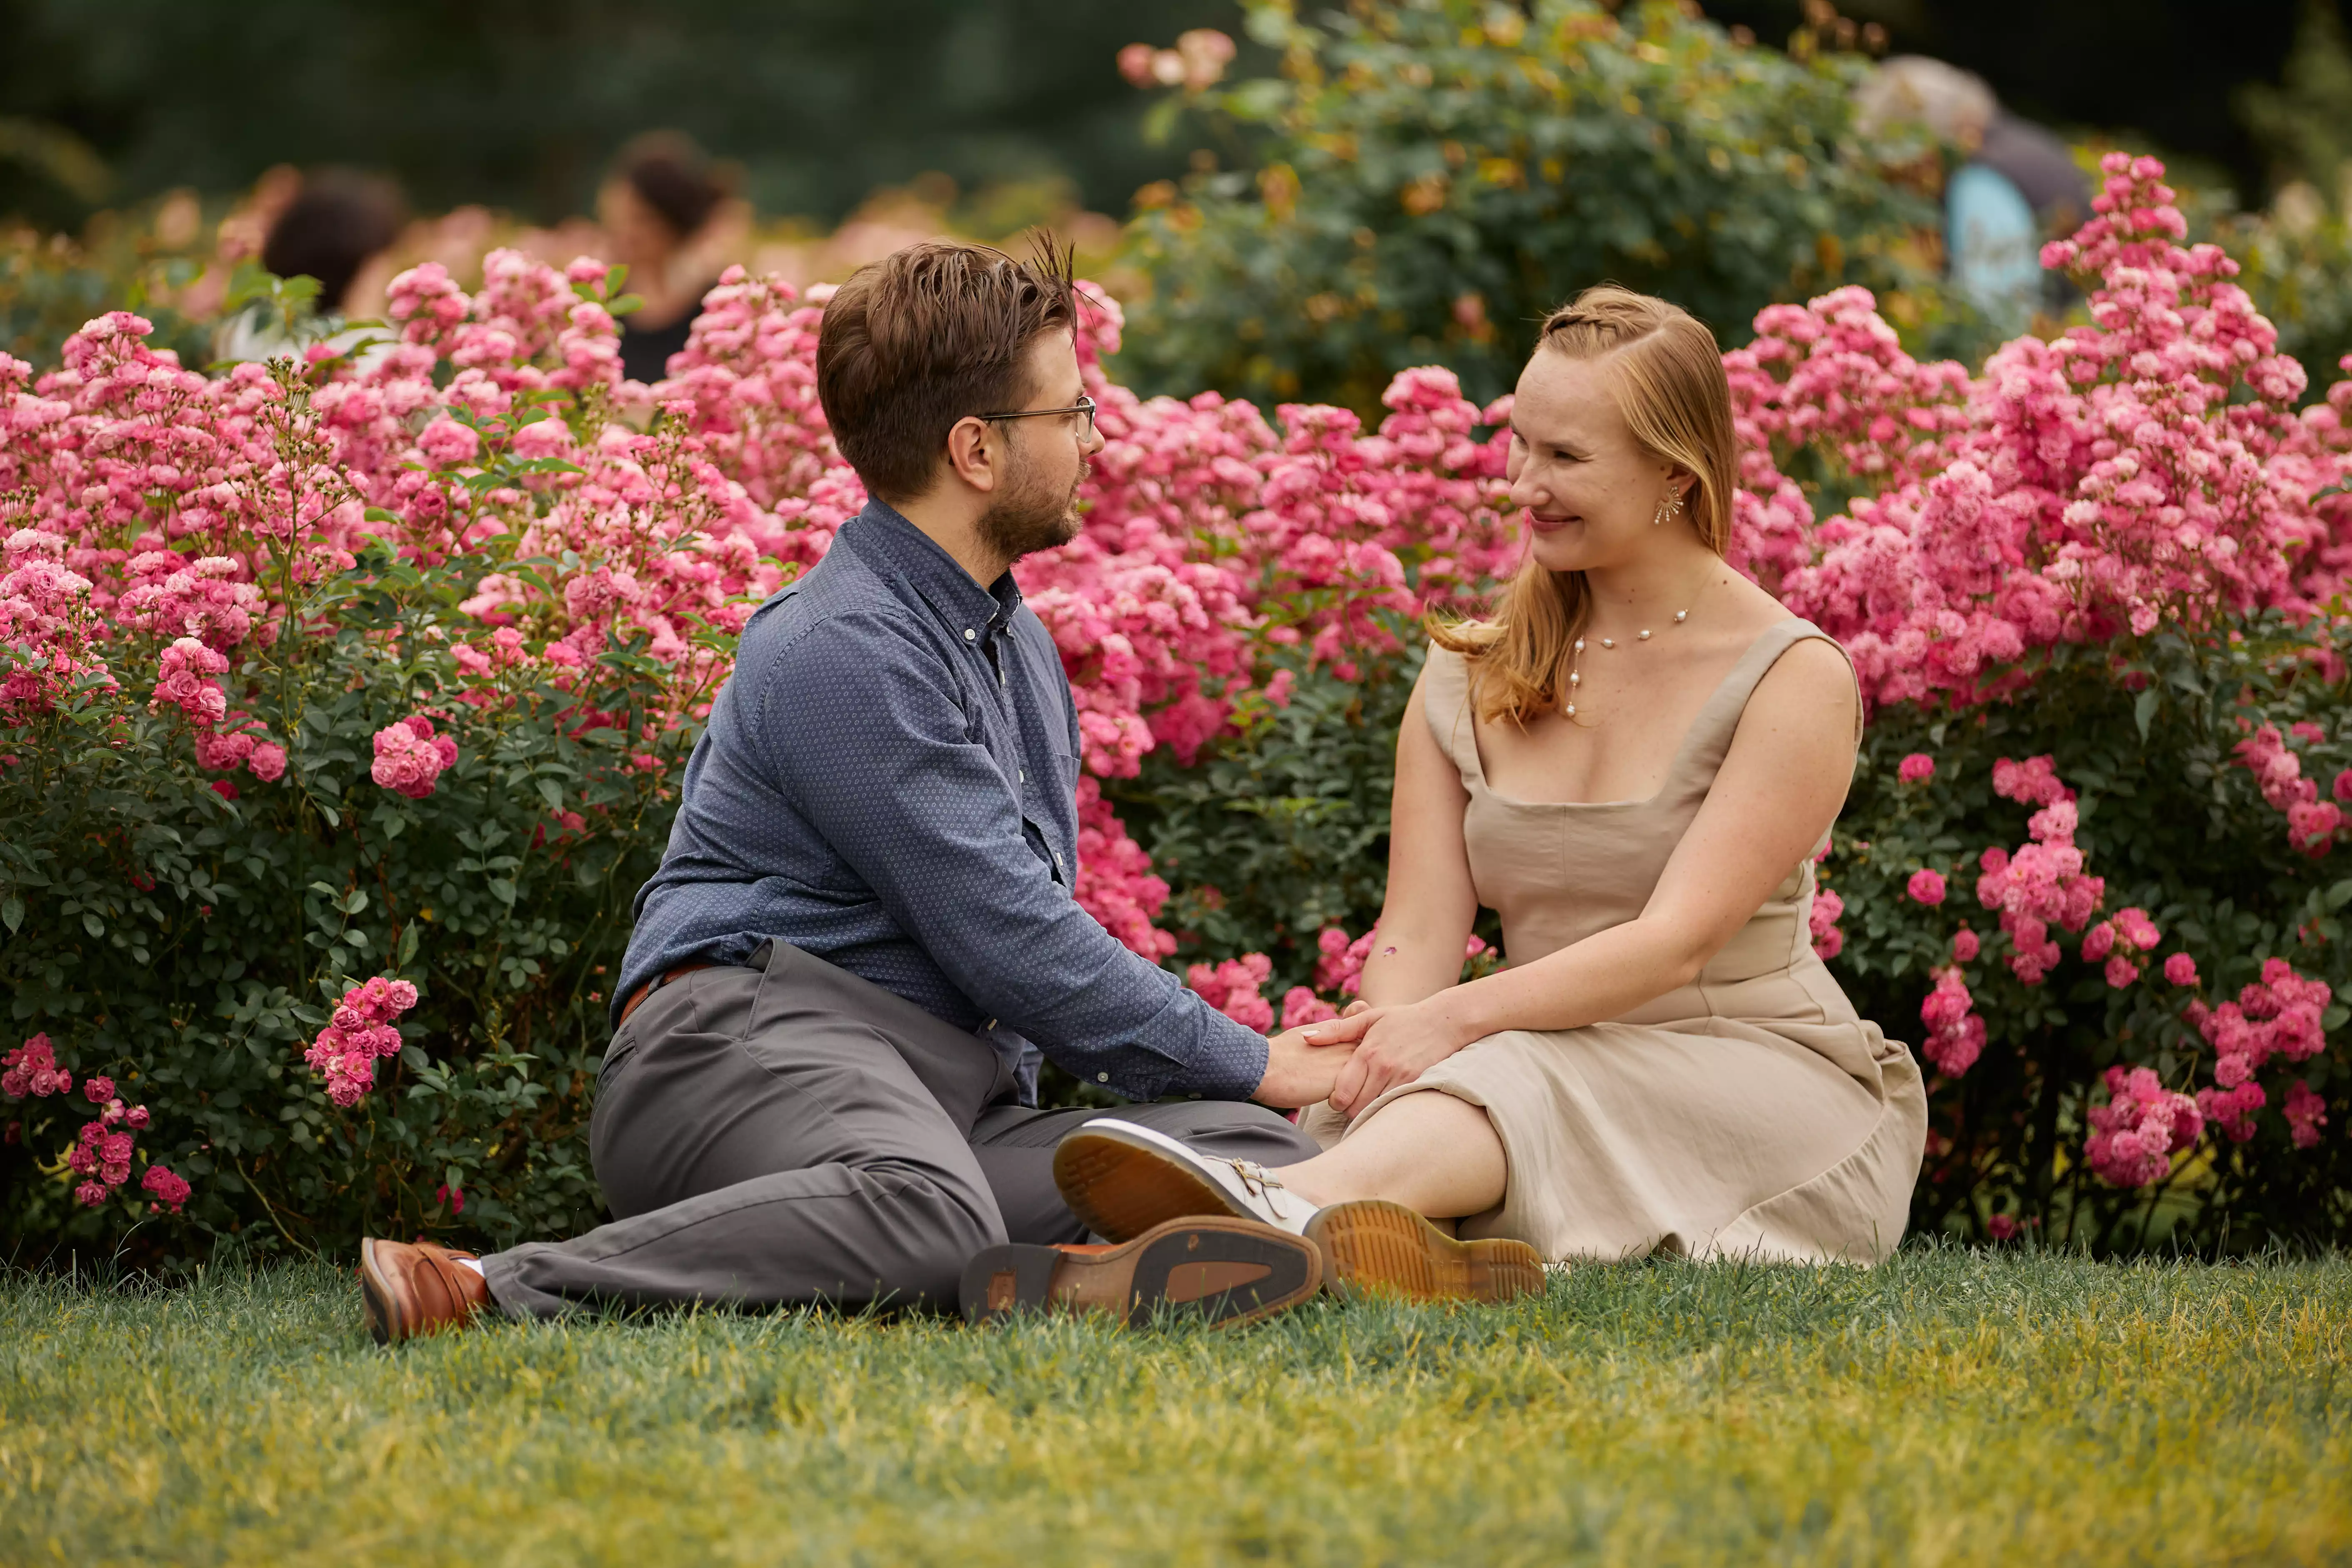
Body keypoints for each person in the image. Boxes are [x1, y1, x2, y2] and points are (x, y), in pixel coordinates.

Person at [355, 239, 1500, 1344]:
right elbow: (1009, 935)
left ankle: (1080, 1282)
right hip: (742, 1047)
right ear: (976, 449)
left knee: (1252, 1152)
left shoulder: (1013, 642)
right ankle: (487, 1283)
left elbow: (1019, 942)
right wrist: (1251, 1049)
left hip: (940, 1097)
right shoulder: (845, 647)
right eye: (1071, 413)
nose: (1096, 439)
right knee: (931, 1204)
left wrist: (1247, 1090)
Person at [1053, 286, 1928, 1276]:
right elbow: (1417, 935)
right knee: (1415, 1096)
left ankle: (1267, 1217)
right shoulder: (1469, 667)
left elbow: (1677, 943)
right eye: (1520, 445)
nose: (1522, 484)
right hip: (1532, 1058)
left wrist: (1453, 1020)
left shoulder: (1791, 675)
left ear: (1673, 476)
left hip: (1759, 1083)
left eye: (1564, 458)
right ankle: (1307, 1236)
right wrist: (1372, 1059)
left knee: (1501, 1068)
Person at [598, 131, 741, 384]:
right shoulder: (598, 308)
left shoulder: (715, 309)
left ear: (674, 226)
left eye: (642, 220)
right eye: (621, 216)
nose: (627, 232)